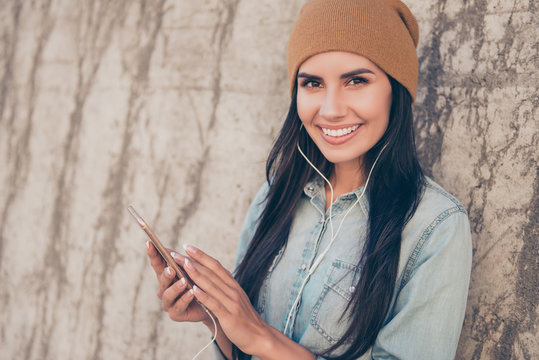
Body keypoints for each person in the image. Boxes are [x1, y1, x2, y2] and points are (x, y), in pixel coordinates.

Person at [147, 0, 473, 359]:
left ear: (396, 89)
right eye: (313, 83)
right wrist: (216, 318)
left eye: (356, 80)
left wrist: (260, 337)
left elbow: (259, 343)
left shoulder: (435, 226)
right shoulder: (275, 196)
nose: (331, 109)